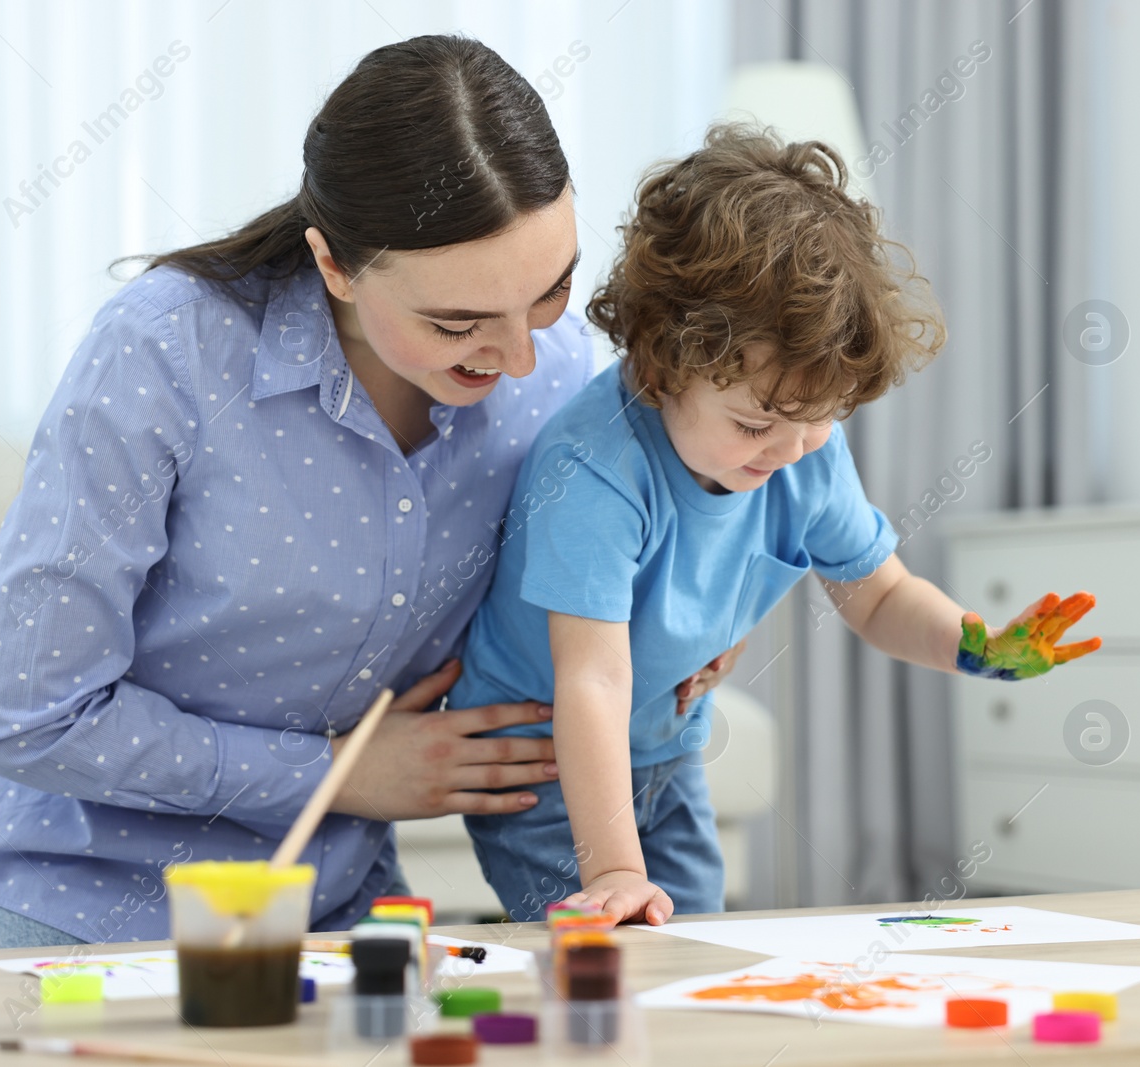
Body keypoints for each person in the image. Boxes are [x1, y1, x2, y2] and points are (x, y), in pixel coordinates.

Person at [0, 35, 740, 950]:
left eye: (552, 291)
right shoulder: (164, 352)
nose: (521, 356)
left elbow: (605, 573)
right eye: (457, 322)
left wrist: (701, 619)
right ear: (335, 267)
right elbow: (25, 715)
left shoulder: (556, 373)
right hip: (80, 898)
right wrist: (332, 773)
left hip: (340, 899)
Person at [453, 124, 1102, 925]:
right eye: (756, 423)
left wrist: (972, 641)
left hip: (666, 744)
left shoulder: (799, 448)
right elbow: (592, 679)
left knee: (694, 948)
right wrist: (617, 866)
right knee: (604, 960)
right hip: (545, 765)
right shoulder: (592, 472)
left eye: (820, 418)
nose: (790, 450)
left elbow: (878, 595)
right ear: (662, 368)